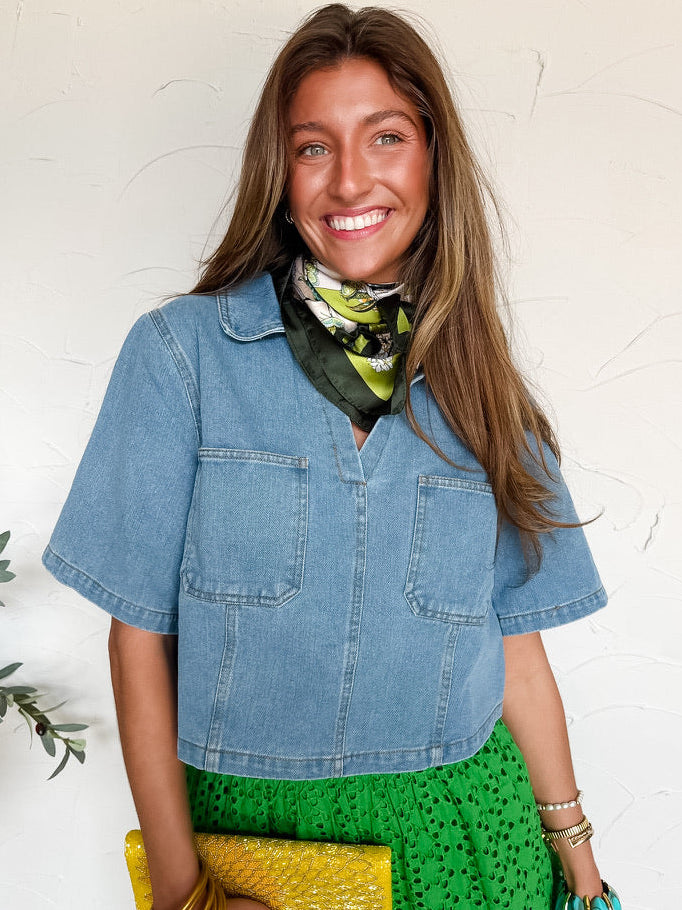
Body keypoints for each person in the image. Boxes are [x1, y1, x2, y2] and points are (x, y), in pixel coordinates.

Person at [42, 5, 618, 909]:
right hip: (258, 843)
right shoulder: (183, 358)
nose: (350, 181)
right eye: (313, 147)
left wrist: (574, 848)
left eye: (385, 137)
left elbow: (514, 648)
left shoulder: (486, 392)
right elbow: (137, 636)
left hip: (467, 836)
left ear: (433, 155)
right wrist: (182, 892)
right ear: (280, 173)